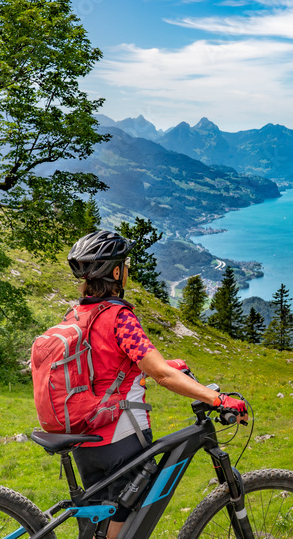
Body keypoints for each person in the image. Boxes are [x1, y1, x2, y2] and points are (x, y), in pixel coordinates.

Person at [65, 230, 247, 539]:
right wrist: (219, 400)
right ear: (116, 272)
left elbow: (103, 369)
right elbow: (162, 375)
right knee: (125, 525)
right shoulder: (118, 317)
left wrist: (157, 368)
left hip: (82, 434)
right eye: (124, 264)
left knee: (100, 521)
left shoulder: (76, 314)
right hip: (117, 436)